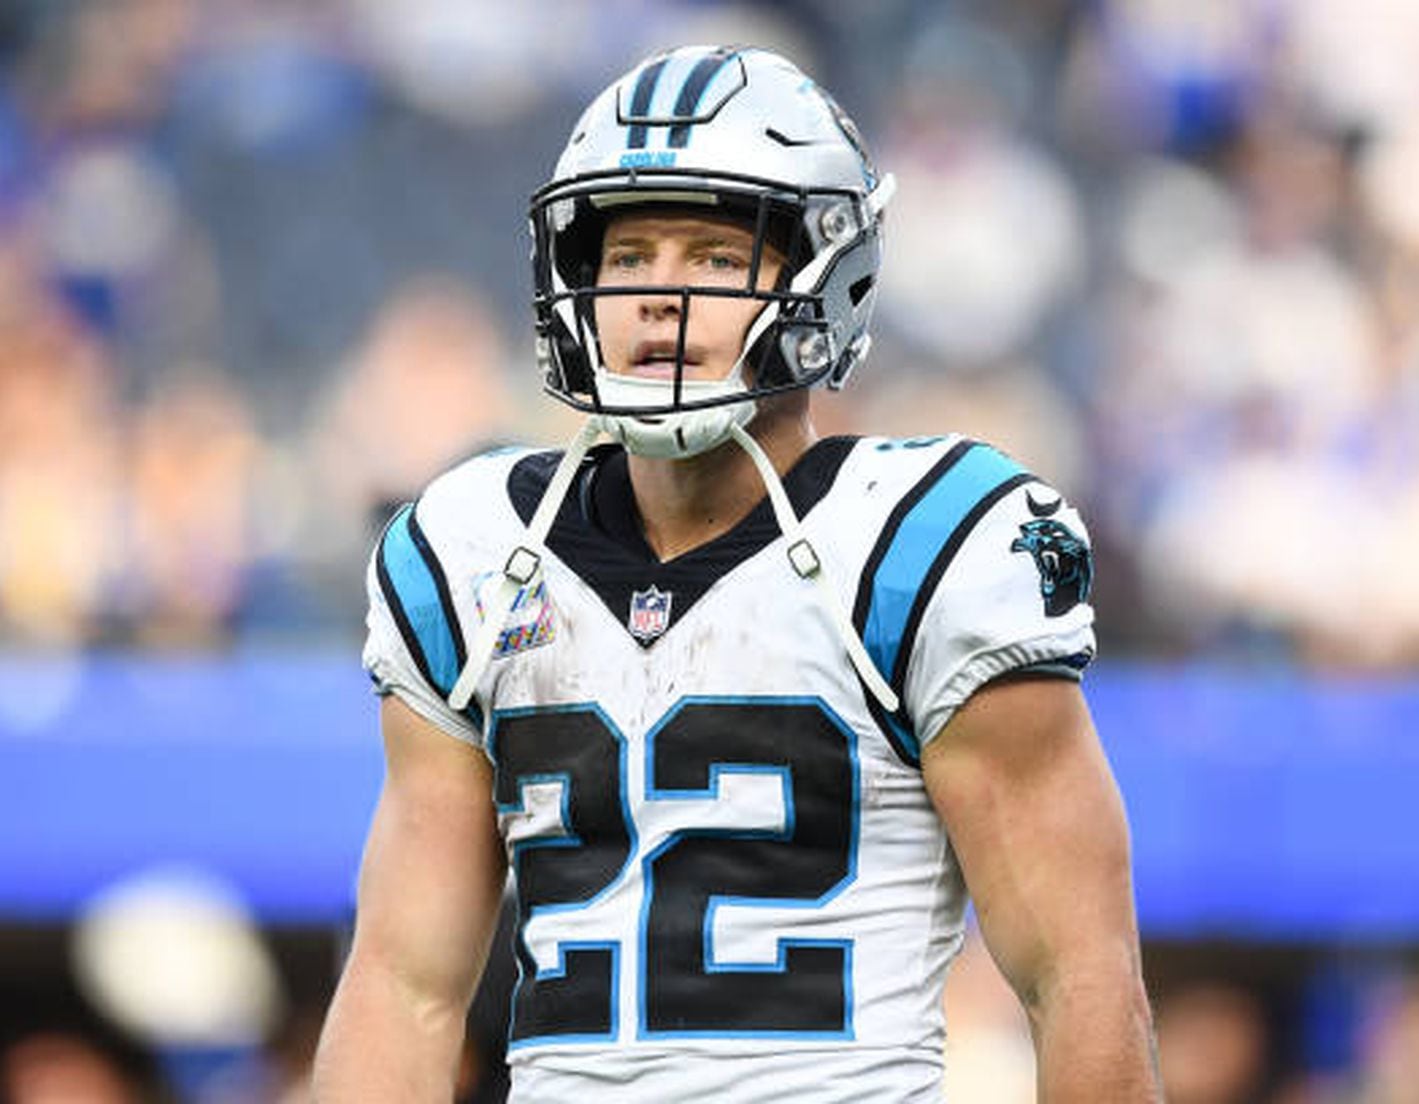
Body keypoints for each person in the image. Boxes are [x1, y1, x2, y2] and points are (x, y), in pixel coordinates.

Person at [312, 44, 1160, 1103]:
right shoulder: (475, 547)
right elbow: (403, 986)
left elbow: (1076, 975)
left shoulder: (923, 546)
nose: (660, 297)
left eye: (715, 257)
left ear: (823, 273)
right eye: (628, 255)